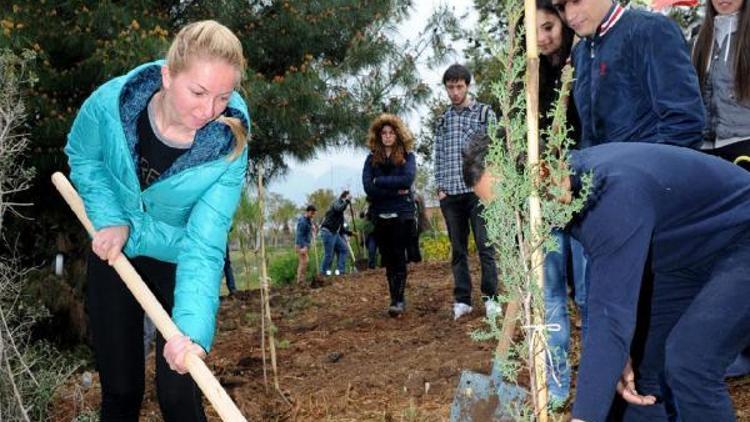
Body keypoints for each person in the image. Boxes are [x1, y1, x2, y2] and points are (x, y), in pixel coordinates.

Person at [465, 139, 750, 422]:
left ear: (540, 173)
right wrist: (617, 351)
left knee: (690, 362)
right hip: (688, 253)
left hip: (742, 237)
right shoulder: (571, 190)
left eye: (514, 203)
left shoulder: (611, 192)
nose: (515, 220)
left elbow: (611, 314)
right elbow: (606, 276)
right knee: (637, 370)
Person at [64, 20, 249, 421]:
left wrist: (193, 334)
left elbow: (205, 243)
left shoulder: (230, 146)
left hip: (180, 260)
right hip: (116, 252)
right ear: (168, 75)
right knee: (121, 389)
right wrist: (111, 217)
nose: (208, 110)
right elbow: (83, 154)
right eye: (197, 92)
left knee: (181, 388)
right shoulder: (110, 106)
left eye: (223, 97)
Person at [552, 0, 705, 148]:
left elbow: (684, 122)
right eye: (560, 7)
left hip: (648, 168)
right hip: (602, 170)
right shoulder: (579, 53)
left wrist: (644, 169)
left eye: (576, 1)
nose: (570, 15)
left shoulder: (651, 30)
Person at [692, 0, 750, 378]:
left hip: (746, 143)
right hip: (710, 152)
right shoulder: (700, 36)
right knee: (718, 252)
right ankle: (729, 347)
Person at [536, 0, 589, 408]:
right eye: (536, 29)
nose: (544, 37)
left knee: (588, 294)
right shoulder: (527, 79)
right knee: (551, 294)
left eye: (550, 27)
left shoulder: (585, 61)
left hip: (585, 192)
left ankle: (598, 381)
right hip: (546, 200)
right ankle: (555, 388)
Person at [434, 63, 499, 320]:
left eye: (459, 87)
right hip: (451, 194)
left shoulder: (484, 114)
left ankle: (491, 298)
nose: (455, 92)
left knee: (486, 246)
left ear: (468, 86)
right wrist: (440, 187)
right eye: (450, 87)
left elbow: (495, 149)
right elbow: (438, 154)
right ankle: (462, 300)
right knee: (458, 249)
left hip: (478, 192)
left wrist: (493, 185)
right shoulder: (443, 119)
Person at [362, 114, 417, 317]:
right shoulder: (371, 159)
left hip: (401, 213)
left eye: (391, 133)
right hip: (379, 213)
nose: (387, 136)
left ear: (397, 134)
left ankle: (398, 300)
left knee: (398, 255)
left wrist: (380, 182)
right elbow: (368, 187)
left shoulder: (407, 157)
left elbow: (407, 180)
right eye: (383, 133)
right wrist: (393, 189)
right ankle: (393, 296)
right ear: (378, 136)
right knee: (386, 257)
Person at [319, 191, 351, 276]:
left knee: (344, 249)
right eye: (348, 197)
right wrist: (347, 201)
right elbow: (339, 208)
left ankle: (341, 271)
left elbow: (342, 228)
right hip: (328, 232)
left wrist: (350, 233)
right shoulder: (337, 203)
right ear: (344, 197)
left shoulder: (341, 214)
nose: (350, 199)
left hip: (334, 233)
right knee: (329, 254)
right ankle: (322, 273)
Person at [295, 205, 317, 284]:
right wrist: (303, 247)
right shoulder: (302, 222)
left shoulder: (309, 220)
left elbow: (310, 226)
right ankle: (300, 281)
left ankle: (301, 280)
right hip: (301, 245)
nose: (313, 215)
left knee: (304, 262)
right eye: (312, 213)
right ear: (307, 212)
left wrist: (313, 227)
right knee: (304, 262)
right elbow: (299, 235)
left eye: (314, 214)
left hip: (306, 244)